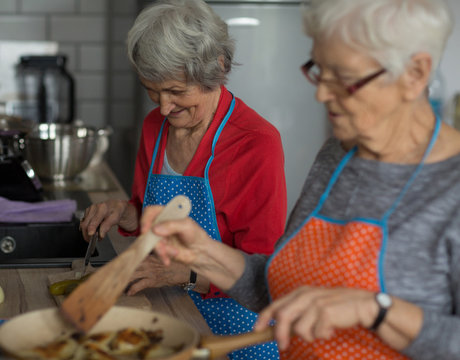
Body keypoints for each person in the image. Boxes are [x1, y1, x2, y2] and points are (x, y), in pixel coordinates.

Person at [140, 0, 460, 359]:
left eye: (343, 78)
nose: (321, 93)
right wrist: (204, 254)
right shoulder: (336, 157)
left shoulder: (452, 186)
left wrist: (377, 310)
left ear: (415, 74)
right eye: (319, 71)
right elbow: (281, 289)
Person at [79, 0, 287, 358]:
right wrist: (125, 213)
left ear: (216, 68)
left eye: (176, 92)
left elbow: (264, 274)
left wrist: (186, 274)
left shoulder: (255, 144)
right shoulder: (154, 128)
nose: (163, 107)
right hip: (170, 319)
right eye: (152, 90)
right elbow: (152, 214)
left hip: (235, 338)